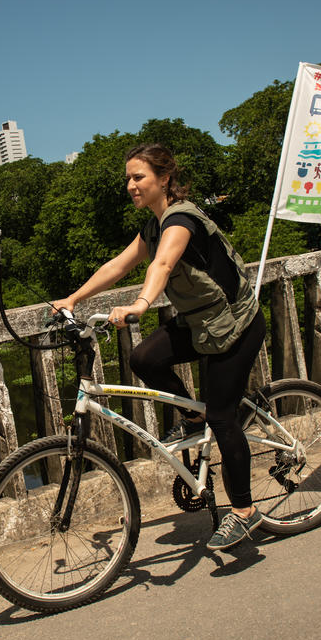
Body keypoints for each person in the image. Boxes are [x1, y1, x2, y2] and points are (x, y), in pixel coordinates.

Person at [52, 142, 268, 551]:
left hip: (236, 324)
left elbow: (162, 265)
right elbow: (118, 265)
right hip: (201, 322)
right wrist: (73, 299)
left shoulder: (181, 219)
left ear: (164, 179)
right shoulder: (152, 227)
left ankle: (244, 512)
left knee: (223, 419)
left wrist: (140, 304)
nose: (131, 185)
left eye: (139, 177)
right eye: (128, 179)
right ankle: (191, 418)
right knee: (143, 357)